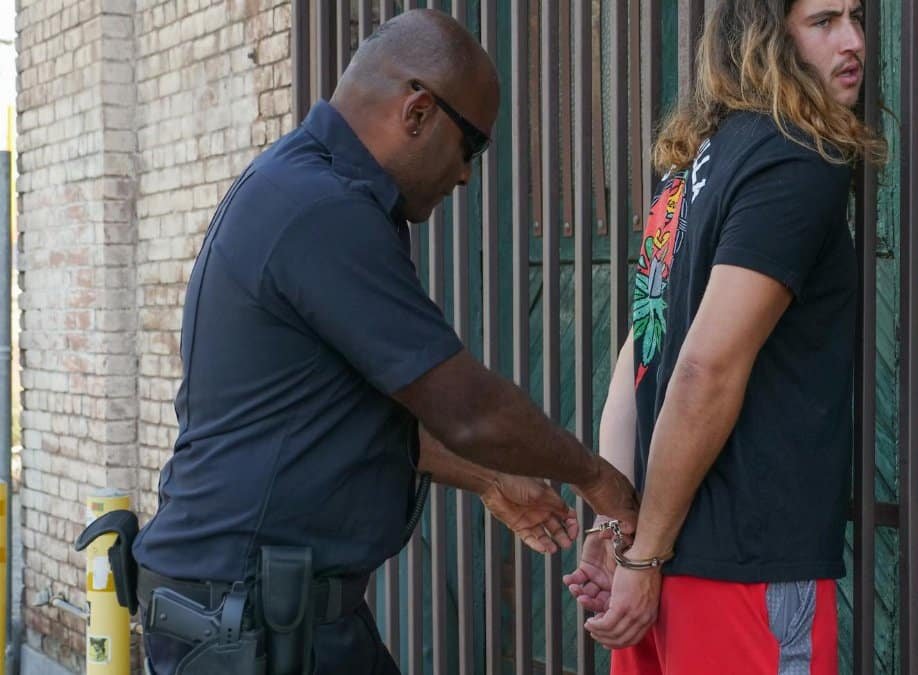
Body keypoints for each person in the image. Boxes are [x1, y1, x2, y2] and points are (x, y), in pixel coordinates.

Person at [129, 9, 638, 675]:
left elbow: (348, 413)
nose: (465, 176)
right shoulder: (321, 209)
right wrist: (603, 482)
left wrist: (488, 479)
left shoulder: (307, 188)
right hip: (250, 622)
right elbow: (468, 409)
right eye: (472, 148)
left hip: (271, 610)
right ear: (419, 112)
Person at [562, 0, 886, 673]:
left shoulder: (689, 167)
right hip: (741, 570)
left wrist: (618, 522)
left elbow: (639, 344)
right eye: (823, 22)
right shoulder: (800, 156)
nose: (853, 40)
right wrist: (641, 549)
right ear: (766, 36)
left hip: (666, 559)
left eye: (855, 16)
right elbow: (701, 368)